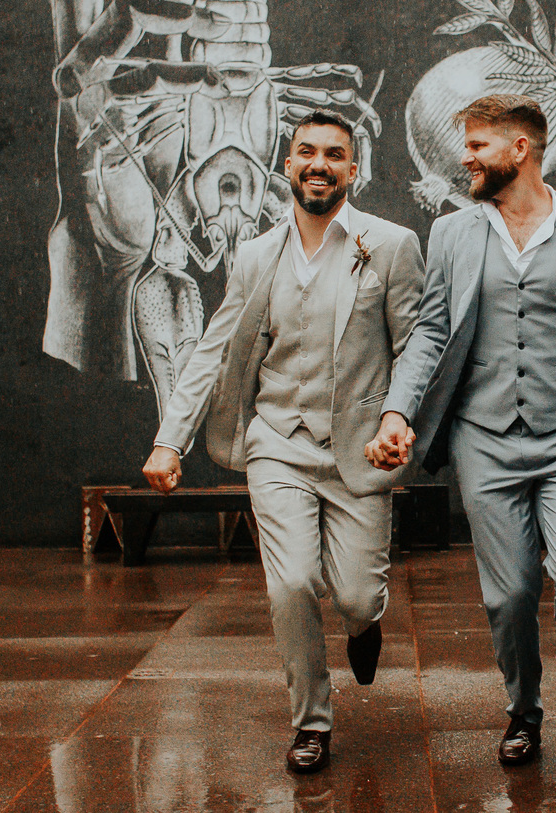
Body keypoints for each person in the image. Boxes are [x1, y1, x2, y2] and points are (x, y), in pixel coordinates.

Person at [365, 94, 556, 766]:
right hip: (485, 436)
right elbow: (430, 333)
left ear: (519, 149)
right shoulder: (453, 233)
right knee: (510, 595)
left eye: (477, 145)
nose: (465, 158)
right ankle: (523, 710)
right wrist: (397, 413)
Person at [143, 109, 424, 774]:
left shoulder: (391, 245)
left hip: (358, 448)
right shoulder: (255, 256)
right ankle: (311, 723)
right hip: (277, 442)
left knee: (356, 596)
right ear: (288, 164)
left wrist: (398, 417)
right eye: (307, 152)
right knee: (291, 582)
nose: (319, 163)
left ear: (353, 168)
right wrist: (169, 440)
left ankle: (364, 624)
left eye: (334, 153)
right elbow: (212, 349)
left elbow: (414, 344)